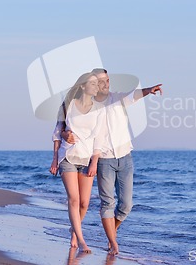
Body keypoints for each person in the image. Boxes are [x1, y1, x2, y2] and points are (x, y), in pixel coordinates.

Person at [62, 68, 162, 255]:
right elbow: (71, 125)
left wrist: (149, 90)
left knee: (126, 205)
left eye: (108, 80)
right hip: (103, 159)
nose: (106, 84)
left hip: (125, 156)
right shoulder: (88, 106)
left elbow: (134, 95)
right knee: (105, 202)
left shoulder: (117, 99)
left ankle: (111, 230)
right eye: (102, 81)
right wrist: (65, 135)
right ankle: (110, 241)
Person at [49, 72, 106, 254]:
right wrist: (55, 159)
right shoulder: (68, 106)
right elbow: (58, 132)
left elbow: (99, 138)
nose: (96, 87)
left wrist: (95, 162)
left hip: (87, 158)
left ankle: (74, 231)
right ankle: (81, 240)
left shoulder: (99, 109)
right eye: (92, 83)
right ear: (82, 86)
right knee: (73, 199)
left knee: (84, 203)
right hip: (68, 156)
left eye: (97, 84)